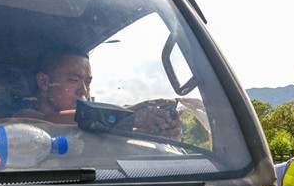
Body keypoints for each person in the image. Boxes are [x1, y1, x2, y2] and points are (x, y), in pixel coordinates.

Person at [13, 47, 181, 137]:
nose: (83, 91)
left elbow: (122, 132)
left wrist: (158, 129)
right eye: (73, 80)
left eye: (87, 82)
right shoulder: (23, 118)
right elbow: (48, 122)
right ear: (44, 81)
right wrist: (131, 114)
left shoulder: (90, 127)